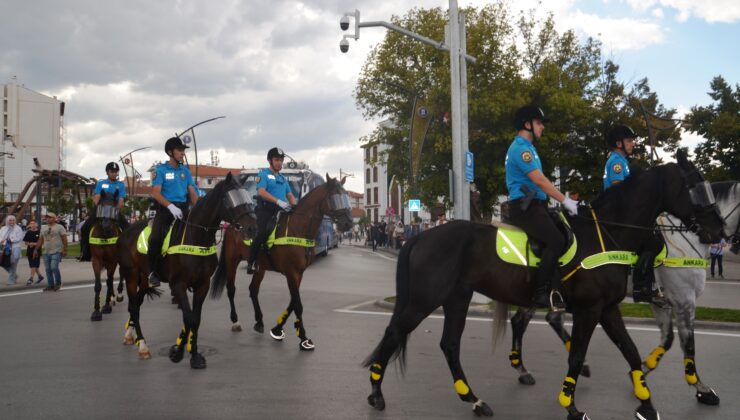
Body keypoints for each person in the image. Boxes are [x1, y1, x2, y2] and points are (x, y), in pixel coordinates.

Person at [505, 106, 578, 312]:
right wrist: (565, 200)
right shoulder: (521, 149)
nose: (542, 127)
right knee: (556, 240)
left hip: (537, 206)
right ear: (527, 124)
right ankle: (541, 292)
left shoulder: (529, 148)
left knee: (563, 232)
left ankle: (559, 288)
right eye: (539, 122)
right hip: (525, 208)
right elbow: (540, 180)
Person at [602, 124, 667, 306]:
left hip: (623, 214)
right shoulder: (616, 162)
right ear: (619, 143)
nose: (632, 144)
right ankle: (641, 287)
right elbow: (619, 191)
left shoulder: (623, 162)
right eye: (629, 141)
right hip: (617, 216)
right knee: (652, 242)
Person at [147, 137, 198, 287]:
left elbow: (192, 192)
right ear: (170, 152)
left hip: (184, 210)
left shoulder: (185, 171)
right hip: (166, 211)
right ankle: (152, 273)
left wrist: (199, 208)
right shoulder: (160, 170)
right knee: (155, 238)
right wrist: (170, 206)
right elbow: (156, 193)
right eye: (180, 150)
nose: (183, 153)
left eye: (183, 150)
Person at [246, 147, 297, 274]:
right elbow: (261, 191)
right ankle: (251, 262)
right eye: (277, 160)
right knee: (263, 232)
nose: (279, 162)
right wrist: (278, 201)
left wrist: (295, 207)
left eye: (281, 160)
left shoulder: (282, 179)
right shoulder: (263, 174)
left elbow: (290, 195)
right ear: (270, 160)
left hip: (281, 210)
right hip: (266, 209)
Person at [35, 212, 67, 291]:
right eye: (47, 217)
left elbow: (64, 239)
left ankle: (58, 283)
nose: (48, 219)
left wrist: (65, 249)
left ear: (55, 218)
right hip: (46, 251)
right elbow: (40, 239)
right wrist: (36, 249)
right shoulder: (43, 227)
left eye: (50, 217)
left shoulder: (60, 227)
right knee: (48, 269)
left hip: (57, 250)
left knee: (54, 267)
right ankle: (50, 285)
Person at [0, 215, 25, 285]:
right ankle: (14, 275)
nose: (12, 222)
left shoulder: (18, 228)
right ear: (7, 221)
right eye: (10, 220)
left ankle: (11, 280)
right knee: (3, 263)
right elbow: (0, 237)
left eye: (13, 220)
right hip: (4, 248)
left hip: (15, 247)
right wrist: (2, 241)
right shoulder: (3, 228)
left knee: (13, 264)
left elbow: (20, 238)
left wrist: (11, 240)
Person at [23, 220, 44, 285]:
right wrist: (29, 244)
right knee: (33, 265)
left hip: (37, 251)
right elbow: (26, 242)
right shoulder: (28, 232)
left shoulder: (40, 232)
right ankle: (40, 276)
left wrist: (34, 244)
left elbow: (42, 242)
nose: (32, 225)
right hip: (29, 250)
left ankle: (31, 278)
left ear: (37, 224)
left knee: (34, 264)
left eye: (34, 223)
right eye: (31, 224)